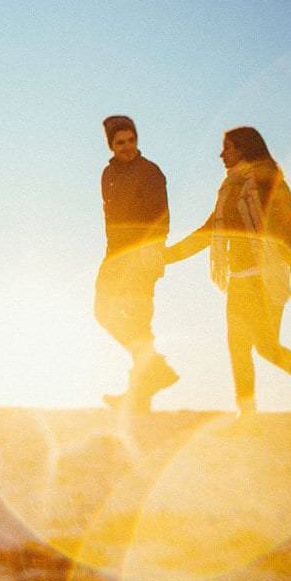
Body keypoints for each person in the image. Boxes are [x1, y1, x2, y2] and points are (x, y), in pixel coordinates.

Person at [165, 126, 291, 429]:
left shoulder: (266, 181)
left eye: (228, 147)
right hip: (239, 278)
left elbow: (286, 222)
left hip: (265, 276)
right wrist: (167, 256)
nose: (222, 153)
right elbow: (209, 231)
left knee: (263, 346)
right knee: (247, 347)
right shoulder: (228, 188)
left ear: (244, 148)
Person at [96, 115, 179, 412]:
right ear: (111, 145)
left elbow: (161, 216)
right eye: (120, 143)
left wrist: (154, 251)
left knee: (139, 321)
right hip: (115, 255)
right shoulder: (107, 175)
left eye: (131, 140)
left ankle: (138, 399)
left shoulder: (150, 172)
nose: (128, 147)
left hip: (142, 256)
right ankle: (155, 370)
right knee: (104, 312)